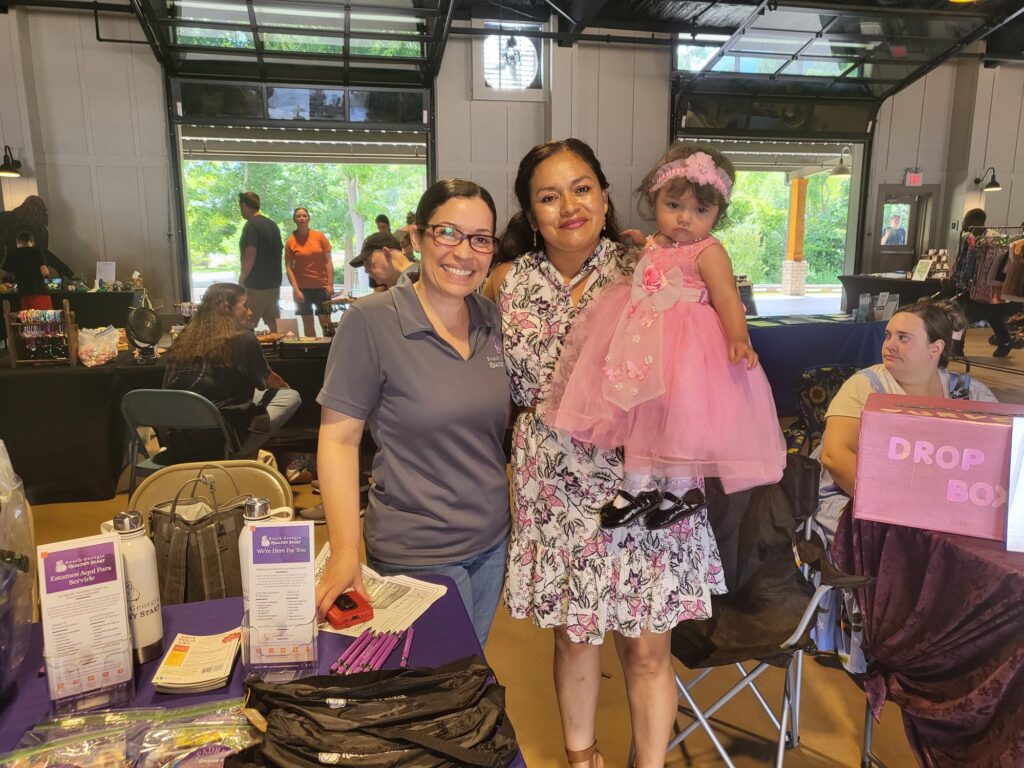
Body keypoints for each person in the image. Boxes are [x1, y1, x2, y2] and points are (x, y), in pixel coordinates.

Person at [484, 138, 725, 768]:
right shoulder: (505, 283)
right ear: (530, 212)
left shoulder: (649, 266)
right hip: (553, 481)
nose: (569, 205)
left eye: (582, 187)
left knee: (647, 649)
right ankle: (580, 756)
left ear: (606, 194)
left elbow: (704, 353)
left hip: (639, 477)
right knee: (573, 636)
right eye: (549, 195)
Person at [543, 143, 786, 530]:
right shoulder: (656, 243)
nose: (685, 219)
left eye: (700, 211)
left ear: (717, 215)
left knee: (681, 419)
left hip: (689, 350)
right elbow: (652, 270)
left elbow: (726, 297)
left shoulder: (709, 252)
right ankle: (638, 484)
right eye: (674, 206)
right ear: (655, 199)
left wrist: (739, 337)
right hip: (644, 343)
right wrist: (643, 245)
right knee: (641, 411)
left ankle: (681, 487)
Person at [314, 179, 510, 647]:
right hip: (417, 553)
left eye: (480, 239)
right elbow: (339, 441)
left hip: (492, 543)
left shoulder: (492, 319)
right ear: (417, 239)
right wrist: (346, 549)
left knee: (467, 676)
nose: (464, 252)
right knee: (430, 687)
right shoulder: (371, 320)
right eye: (448, 233)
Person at [813, 299, 995, 671]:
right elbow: (835, 456)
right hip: (856, 498)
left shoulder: (967, 393)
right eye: (888, 335)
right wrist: (896, 508)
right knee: (897, 545)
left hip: (944, 505)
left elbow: (997, 458)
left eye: (904, 337)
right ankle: (889, 649)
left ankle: (954, 646)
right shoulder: (866, 385)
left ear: (936, 348)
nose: (890, 344)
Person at [163, 283, 301, 457]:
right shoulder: (243, 339)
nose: (250, 312)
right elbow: (271, 381)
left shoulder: (184, 338)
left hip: (180, 441)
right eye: (245, 306)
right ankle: (242, 453)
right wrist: (285, 386)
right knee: (290, 395)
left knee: (253, 397)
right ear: (226, 309)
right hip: (222, 439)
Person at [951, 208, 1022, 358]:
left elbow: (993, 266)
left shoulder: (992, 239)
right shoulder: (969, 238)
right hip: (972, 285)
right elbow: (962, 260)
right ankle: (1004, 341)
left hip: (987, 287)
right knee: (992, 315)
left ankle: (957, 347)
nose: (963, 223)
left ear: (976, 221)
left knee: (963, 315)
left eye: (966, 220)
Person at [238, 191, 283, 332]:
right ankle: (279, 352)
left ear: (244, 206)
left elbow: (250, 252)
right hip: (274, 285)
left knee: (246, 324)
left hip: (256, 286)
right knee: (275, 325)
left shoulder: (251, 225)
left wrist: (242, 278)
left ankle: (249, 353)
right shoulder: (272, 225)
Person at [284, 207, 333, 336]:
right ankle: (312, 351)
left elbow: (328, 262)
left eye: (304, 216)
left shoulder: (320, 237)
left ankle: (330, 351)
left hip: (321, 287)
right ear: (294, 219)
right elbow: (288, 267)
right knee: (307, 321)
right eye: (298, 216)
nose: (302, 219)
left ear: (308, 218)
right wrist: (296, 289)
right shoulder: (291, 241)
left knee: (325, 321)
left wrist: (330, 284)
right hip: (302, 289)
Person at [1, 231, 52, 310]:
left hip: (24, 292)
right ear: (32, 242)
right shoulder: (37, 252)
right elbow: (44, 272)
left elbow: (2, 273)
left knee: (28, 319)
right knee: (45, 319)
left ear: (17, 242)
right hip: (40, 292)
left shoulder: (11, 255)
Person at [349, 232, 417, 289]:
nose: (366, 270)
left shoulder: (420, 279)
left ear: (386, 253)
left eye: (367, 262)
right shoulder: (405, 283)